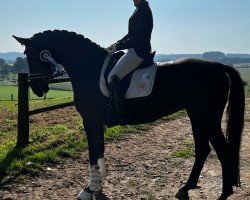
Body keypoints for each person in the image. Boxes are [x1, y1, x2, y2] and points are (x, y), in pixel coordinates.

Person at [107, 0, 153, 122]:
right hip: (133, 50)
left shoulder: (143, 11)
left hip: (138, 51)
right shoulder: (139, 9)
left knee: (113, 76)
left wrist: (117, 47)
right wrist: (116, 44)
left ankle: (120, 113)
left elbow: (137, 38)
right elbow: (130, 34)